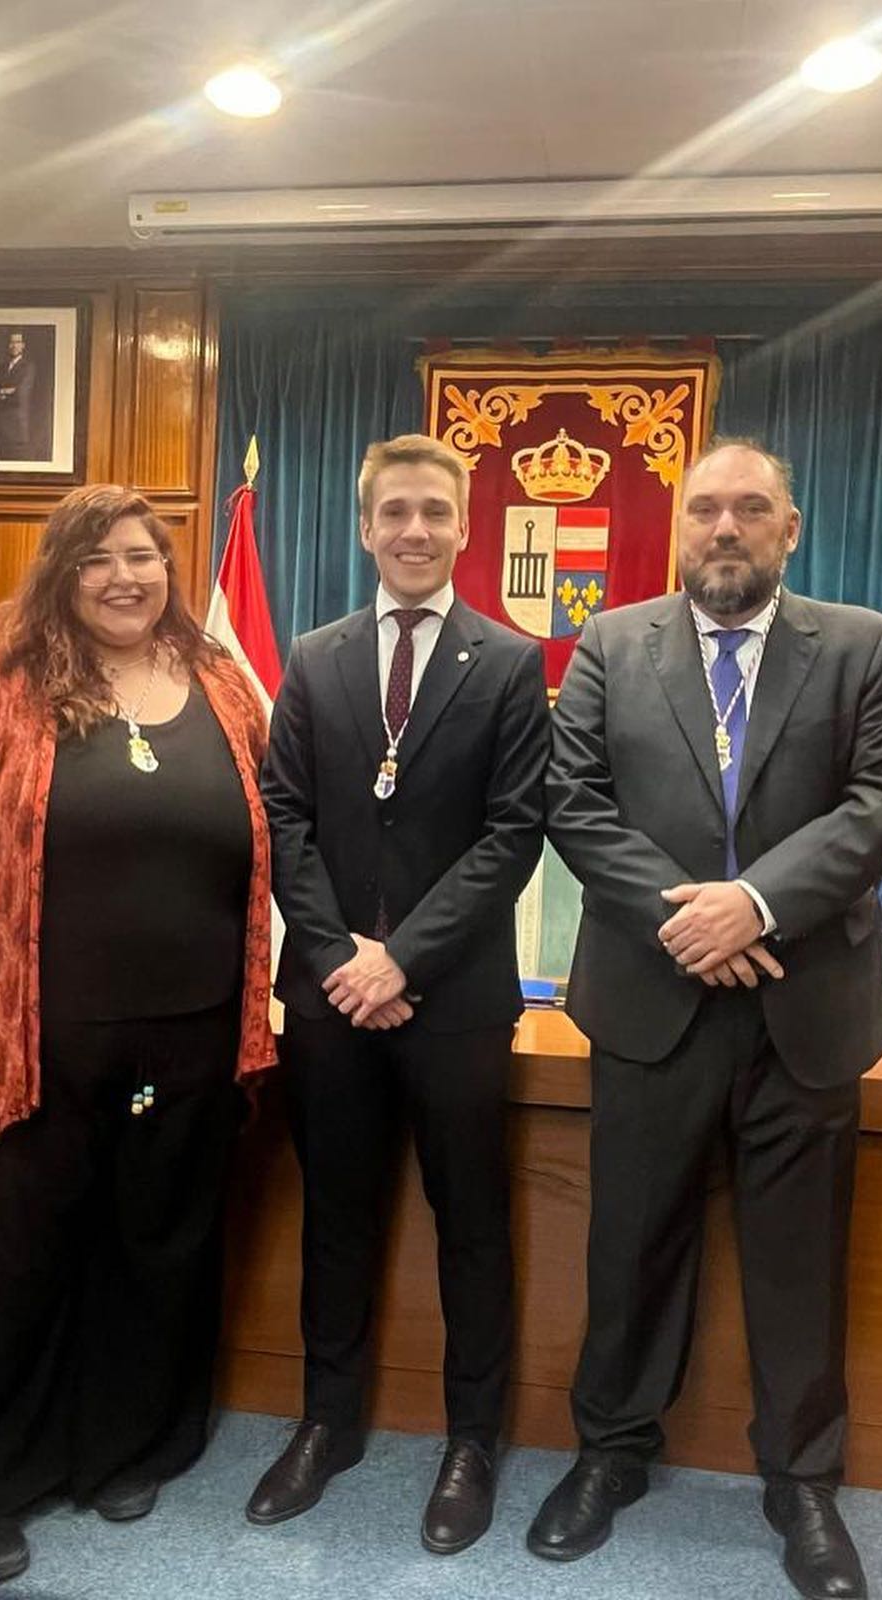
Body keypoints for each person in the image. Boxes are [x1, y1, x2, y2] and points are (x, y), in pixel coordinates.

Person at [0, 484, 275, 1584]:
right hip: (19, 1035)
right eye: (98, 559)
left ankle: (121, 1446)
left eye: (143, 556)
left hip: (187, 1035)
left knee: (152, 1244)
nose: (125, 577)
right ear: (61, 570)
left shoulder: (220, 680)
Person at [529, 439, 882, 1600]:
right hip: (652, 998)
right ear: (678, 527)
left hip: (807, 1007)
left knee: (800, 1260)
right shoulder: (610, 642)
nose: (725, 527)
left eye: (750, 508)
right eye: (704, 508)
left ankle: (801, 1484)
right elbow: (571, 800)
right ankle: (608, 1452)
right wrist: (691, 918)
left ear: (787, 530)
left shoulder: (859, 644)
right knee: (630, 1241)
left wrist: (753, 903)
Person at [248, 433, 549, 1555]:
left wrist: (401, 959)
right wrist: (341, 957)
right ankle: (327, 1423)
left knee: (469, 1223)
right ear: (365, 527)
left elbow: (512, 834)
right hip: (330, 1001)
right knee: (336, 1216)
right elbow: (284, 814)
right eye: (394, 512)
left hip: (454, 1001)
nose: (414, 530)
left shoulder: (509, 664)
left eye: (434, 511)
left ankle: (471, 1440)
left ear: (463, 527)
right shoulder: (314, 656)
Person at [0, 329, 36, 460]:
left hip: (17, 430)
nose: (14, 345)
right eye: (11, 342)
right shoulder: (0, 368)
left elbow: (19, 396)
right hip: (0, 429)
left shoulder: (28, 368)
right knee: (0, 464)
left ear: (23, 345)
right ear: (7, 345)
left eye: (17, 342)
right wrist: (4, 391)